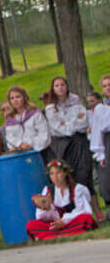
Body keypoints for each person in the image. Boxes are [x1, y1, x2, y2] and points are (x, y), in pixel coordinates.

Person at [42, 76, 93, 193]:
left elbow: (84, 123)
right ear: (53, 89)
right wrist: (73, 123)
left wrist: (66, 123)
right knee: (69, 174)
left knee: (84, 173)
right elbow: (57, 128)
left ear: (67, 86)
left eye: (62, 85)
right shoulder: (51, 107)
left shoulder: (76, 102)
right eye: (57, 85)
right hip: (63, 144)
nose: (60, 88)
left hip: (80, 141)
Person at [26, 159, 98, 240]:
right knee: (31, 225)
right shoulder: (47, 190)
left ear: (66, 173)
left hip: (71, 221)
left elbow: (82, 210)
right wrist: (43, 207)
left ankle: (52, 235)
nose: (55, 177)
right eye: (52, 174)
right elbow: (40, 217)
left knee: (86, 218)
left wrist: (64, 221)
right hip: (54, 224)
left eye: (58, 173)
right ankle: (65, 233)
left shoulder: (78, 189)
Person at [2, 86, 50, 154]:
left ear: (24, 98)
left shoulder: (35, 114)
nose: (15, 100)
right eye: (12, 98)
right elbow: (10, 137)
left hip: (40, 151)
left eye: (18, 97)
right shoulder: (10, 120)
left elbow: (44, 133)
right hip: (20, 153)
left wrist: (31, 145)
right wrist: (20, 144)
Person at [88, 75, 110, 207]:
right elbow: (97, 132)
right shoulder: (101, 109)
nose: (108, 88)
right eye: (105, 86)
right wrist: (101, 154)